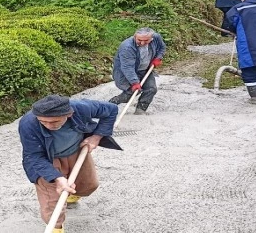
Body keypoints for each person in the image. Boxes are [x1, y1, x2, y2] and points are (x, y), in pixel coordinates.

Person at [18, 95, 120, 233]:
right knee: (52, 202)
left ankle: (71, 197)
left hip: (76, 150)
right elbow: (34, 156)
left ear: (69, 114)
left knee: (89, 184)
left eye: (54, 121)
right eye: (43, 122)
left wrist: (96, 137)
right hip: (47, 159)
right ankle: (56, 228)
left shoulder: (81, 108)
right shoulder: (28, 123)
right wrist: (58, 178)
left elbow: (111, 109)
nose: (48, 126)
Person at [109, 27, 166, 114]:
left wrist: (158, 58)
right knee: (133, 92)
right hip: (126, 72)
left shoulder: (156, 38)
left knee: (151, 89)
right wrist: (135, 82)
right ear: (135, 36)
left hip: (145, 70)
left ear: (151, 38)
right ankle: (112, 103)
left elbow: (162, 48)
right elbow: (127, 67)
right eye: (139, 40)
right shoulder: (127, 47)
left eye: (146, 40)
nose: (142, 43)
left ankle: (140, 110)